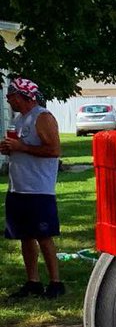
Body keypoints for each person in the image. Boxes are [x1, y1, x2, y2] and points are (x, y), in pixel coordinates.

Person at [0, 78, 65, 299]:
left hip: (39, 188)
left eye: (11, 96)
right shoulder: (19, 119)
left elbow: (54, 150)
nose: (8, 100)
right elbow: (22, 147)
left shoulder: (42, 117)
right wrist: (11, 149)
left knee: (43, 236)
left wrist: (22, 147)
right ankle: (33, 281)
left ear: (24, 96)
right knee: (24, 236)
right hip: (18, 187)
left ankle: (56, 282)